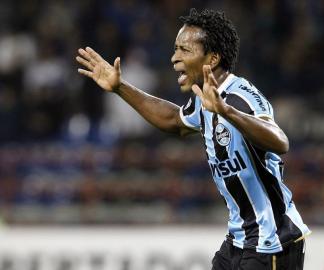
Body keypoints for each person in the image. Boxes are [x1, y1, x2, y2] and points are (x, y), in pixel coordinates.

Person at [76, 8, 310, 270]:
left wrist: (227, 111)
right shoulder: (204, 99)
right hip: (239, 240)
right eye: (175, 49)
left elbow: (280, 141)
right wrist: (120, 87)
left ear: (213, 57)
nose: (174, 58)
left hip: (273, 242)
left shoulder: (239, 95)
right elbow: (174, 120)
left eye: (184, 50)